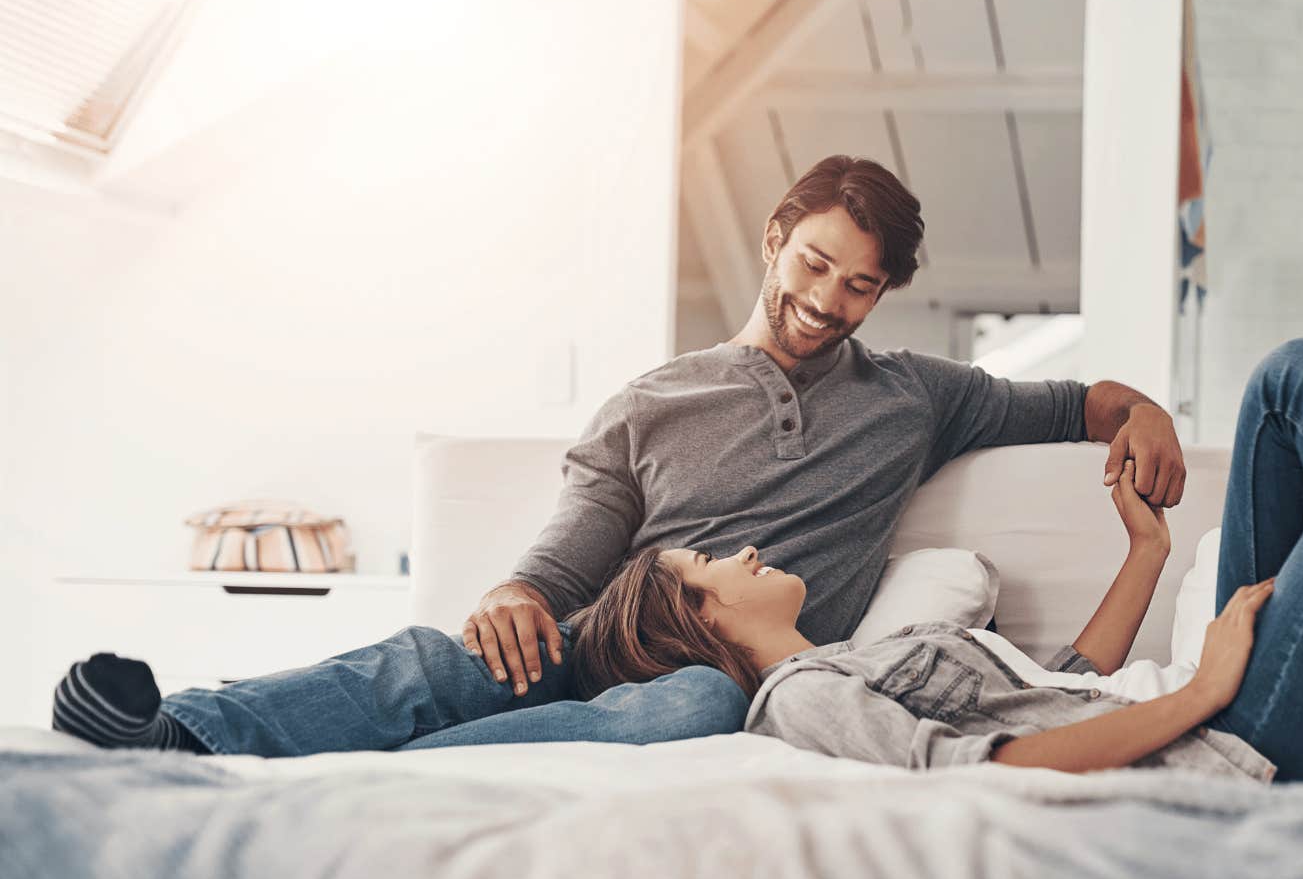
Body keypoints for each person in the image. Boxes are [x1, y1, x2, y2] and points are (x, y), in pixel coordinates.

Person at [49, 155, 1185, 757]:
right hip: (598, 641)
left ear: (884, 293)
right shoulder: (653, 399)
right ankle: (182, 733)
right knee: (437, 663)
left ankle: (391, 768)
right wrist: (512, 594)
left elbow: (1086, 402)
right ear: (775, 239)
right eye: (818, 265)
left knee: (689, 708)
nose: (829, 300)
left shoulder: (918, 398)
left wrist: (1147, 417)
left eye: (861, 284)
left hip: (723, 682)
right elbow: (568, 553)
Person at [526, 339, 1303, 788]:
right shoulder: (802, 704)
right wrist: (1206, 690)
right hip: (1243, 743)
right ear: (705, 622)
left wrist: (1148, 557)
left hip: (1185, 707)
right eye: (719, 561)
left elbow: (1062, 682)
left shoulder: (844, 661)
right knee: (1299, 378)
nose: (749, 548)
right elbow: (1007, 762)